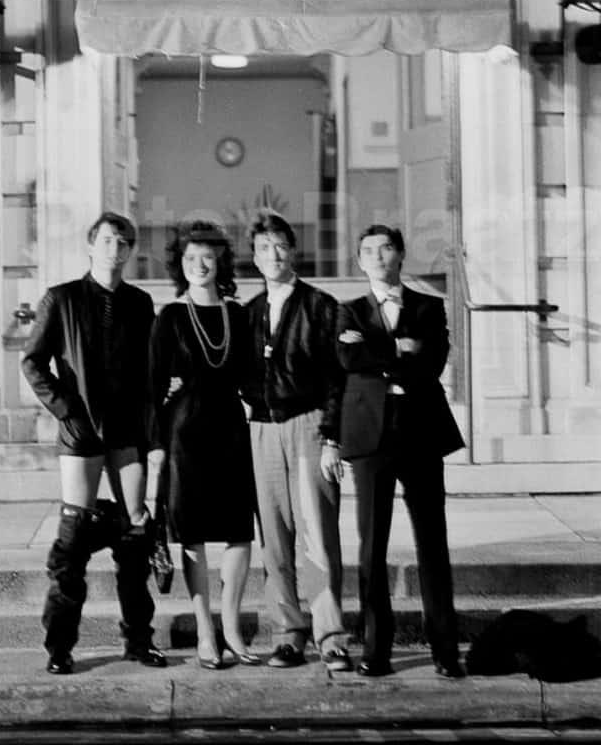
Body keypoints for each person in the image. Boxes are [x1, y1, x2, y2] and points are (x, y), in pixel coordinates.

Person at [21, 212, 166, 675]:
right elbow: (33, 362)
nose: (115, 248)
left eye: (124, 241)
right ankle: (59, 647)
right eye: (107, 240)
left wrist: (151, 428)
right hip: (81, 432)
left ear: (130, 251)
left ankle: (139, 641)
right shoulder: (61, 299)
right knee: (73, 538)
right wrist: (65, 407)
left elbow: (148, 372)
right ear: (91, 246)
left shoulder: (140, 303)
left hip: (127, 433)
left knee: (134, 535)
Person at [336, 224, 465, 678]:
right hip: (370, 438)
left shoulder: (429, 306)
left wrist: (375, 352)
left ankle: (445, 650)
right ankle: (377, 649)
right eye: (367, 250)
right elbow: (347, 362)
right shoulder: (348, 310)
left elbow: (431, 365)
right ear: (358, 261)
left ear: (401, 255)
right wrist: (396, 346)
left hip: (422, 434)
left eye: (386, 248)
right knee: (372, 546)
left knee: (432, 542)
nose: (377, 256)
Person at [241, 211, 350, 672]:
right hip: (263, 429)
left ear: (294, 250)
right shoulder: (249, 312)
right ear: (254, 256)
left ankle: (331, 637)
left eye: (281, 246)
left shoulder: (321, 306)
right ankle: (287, 634)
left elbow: (337, 377)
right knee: (275, 541)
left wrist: (331, 437)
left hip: (309, 425)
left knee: (317, 537)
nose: (273, 255)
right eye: (264, 248)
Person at [151, 219, 257, 670]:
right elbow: (153, 386)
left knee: (238, 532)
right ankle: (206, 633)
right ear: (181, 264)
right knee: (191, 535)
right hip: (185, 433)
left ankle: (232, 627)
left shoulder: (239, 315)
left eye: (207, 257)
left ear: (221, 262)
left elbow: (253, 379)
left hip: (230, 429)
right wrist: (154, 446)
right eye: (190, 258)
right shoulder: (170, 316)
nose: (199, 265)